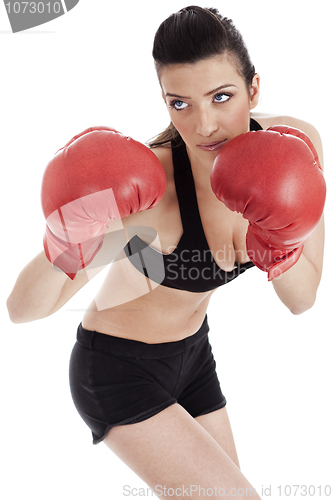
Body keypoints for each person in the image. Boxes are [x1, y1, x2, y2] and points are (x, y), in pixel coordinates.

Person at [6, 6, 325, 500]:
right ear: (164, 102)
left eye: (222, 97)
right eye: (180, 104)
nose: (204, 125)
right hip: (117, 370)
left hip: (195, 357)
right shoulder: (150, 199)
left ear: (254, 89)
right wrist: (67, 236)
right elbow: (23, 310)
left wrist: (279, 247)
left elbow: (302, 298)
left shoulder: (293, 150)